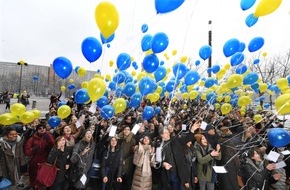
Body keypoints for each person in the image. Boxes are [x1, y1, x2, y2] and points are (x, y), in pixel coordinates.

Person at [159, 118, 201, 190]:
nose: (168, 133)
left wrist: (192, 130)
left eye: (168, 132)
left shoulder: (175, 140)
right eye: (165, 133)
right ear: (161, 135)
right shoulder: (158, 145)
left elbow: (187, 139)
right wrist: (163, 163)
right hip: (166, 174)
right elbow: (157, 161)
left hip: (178, 173)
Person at [24, 124, 55, 188]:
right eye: (40, 128)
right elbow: (27, 152)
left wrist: (48, 138)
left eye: (43, 128)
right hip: (34, 162)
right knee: (34, 178)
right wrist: (35, 148)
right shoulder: (32, 139)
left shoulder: (48, 136)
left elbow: (53, 146)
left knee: (44, 178)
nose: (42, 129)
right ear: (37, 130)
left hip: (45, 161)